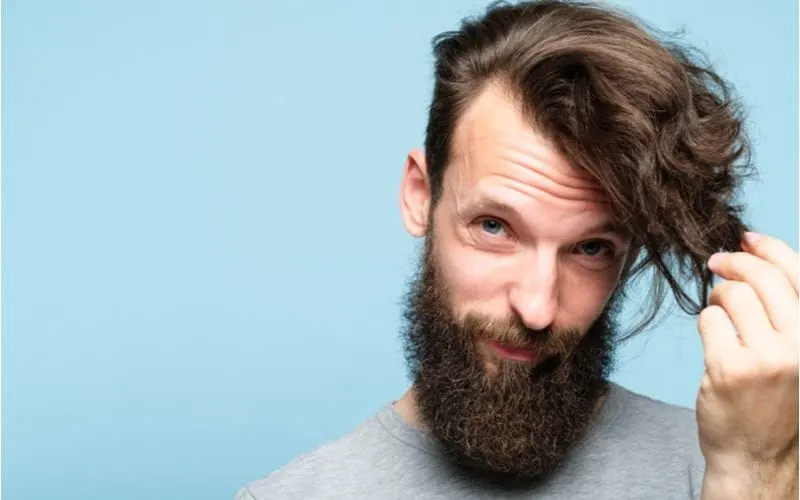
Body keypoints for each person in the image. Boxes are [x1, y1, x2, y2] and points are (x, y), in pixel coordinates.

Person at [236, 1, 799, 498]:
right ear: (419, 196)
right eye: (494, 227)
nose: (537, 309)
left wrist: (757, 474)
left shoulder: (735, 470)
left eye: (591, 248)